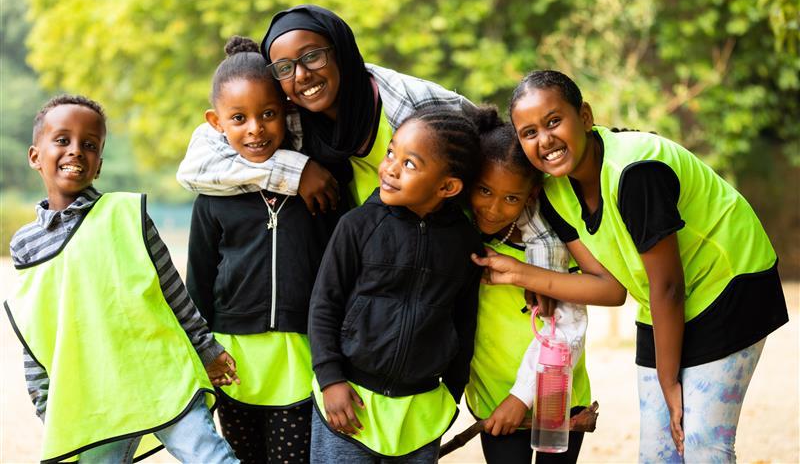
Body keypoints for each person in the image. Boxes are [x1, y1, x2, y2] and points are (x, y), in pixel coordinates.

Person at [473, 70, 789, 462]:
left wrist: (668, 380)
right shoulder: (554, 189)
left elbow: (669, 285)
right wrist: (518, 272)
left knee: (702, 442)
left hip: (730, 285)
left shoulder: (636, 172)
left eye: (554, 121)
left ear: (585, 117)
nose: (545, 139)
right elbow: (608, 287)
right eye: (529, 132)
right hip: (659, 301)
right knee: (658, 454)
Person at [6, 95, 239, 463]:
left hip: (162, 373)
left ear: (99, 164)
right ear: (36, 156)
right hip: (94, 395)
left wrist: (205, 348)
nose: (76, 151)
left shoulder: (127, 214)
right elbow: (33, 328)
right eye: (62, 140)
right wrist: (46, 401)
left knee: (211, 458)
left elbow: (172, 292)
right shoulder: (24, 245)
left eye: (90, 145)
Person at [186, 36, 336, 463]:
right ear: (217, 122)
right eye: (239, 118)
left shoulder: (317, 189)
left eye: (268, 114)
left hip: (300, 356)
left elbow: (333, 273)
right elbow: (198, 279)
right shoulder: (212, 198)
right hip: (233, 361)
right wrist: (203, 352)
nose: (255, 128)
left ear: (287, 113)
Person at [307, 107, 485, 463]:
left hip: (420, 411)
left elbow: (464, 321)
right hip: (350, 403)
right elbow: (324, 304)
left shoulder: (465, 243)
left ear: (447, 187)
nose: (390, 167)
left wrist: (452, 391)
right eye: (391, 153)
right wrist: (330, 380)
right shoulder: (356, 226)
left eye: (410, 164)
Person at [176, 4, 477, 211]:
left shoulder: (409, 102)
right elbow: (195, 166)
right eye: (284, 68)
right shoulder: (288, 115)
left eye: (312, 56)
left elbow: (498, 151)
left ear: (340, 51)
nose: (301, 75)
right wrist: (298, 170)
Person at [465, 106, 591, 464]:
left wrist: (522, 396)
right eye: (484, 191)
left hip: (559, 395)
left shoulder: (557, 244)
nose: (492, 209)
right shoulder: (463, 240)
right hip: (494, 395)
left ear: (531, 196)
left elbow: (569, 326)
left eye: (511, 198)